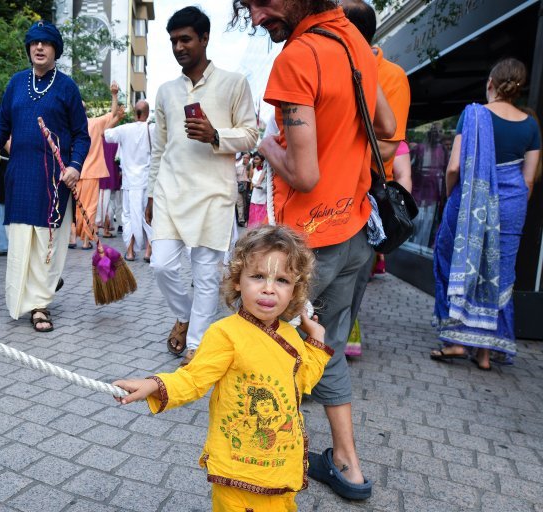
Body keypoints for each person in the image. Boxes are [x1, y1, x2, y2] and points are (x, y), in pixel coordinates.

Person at [234, 0, 398, 500]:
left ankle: (261, 461)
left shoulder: (297, 57)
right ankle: (348, 466)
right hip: (353, 236)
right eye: (248, 8)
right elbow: (387, 129)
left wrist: (266, 146)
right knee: (324, 349)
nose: (258, 16)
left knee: (262, 351)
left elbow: (304, 175)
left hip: (307, 247)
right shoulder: (355, 42)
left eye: (261, 1)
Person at [113, 225, 332, 511]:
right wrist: (154, 385)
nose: (268, 288)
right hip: (237, 471)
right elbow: (193, 379)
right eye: (257, 277)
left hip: (281, 465)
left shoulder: (291, 336)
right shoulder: (225, 334)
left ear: (295, 289)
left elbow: (302, 381)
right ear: (238, 280)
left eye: (281, 280)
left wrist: (316, 339)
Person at [147, 6, 258, 365]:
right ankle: (185, 314)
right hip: (170, 191)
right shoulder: (166, 91)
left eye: (185, 39)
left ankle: (196, 341)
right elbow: (159, 148)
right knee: (161, 265)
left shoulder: (234, 83)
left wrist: (215, 135)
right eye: (173, 41)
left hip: (214, 194)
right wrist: (151, 192)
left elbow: (250, 134)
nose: (178, 47)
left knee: (206, 273)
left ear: (204, 39)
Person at [430, 58, 540, 371]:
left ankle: (454, 342)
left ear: (491, 83)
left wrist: (453, 198)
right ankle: (485, 354)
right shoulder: (531, 125)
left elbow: (454, 166)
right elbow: (528, 179)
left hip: (470, 202)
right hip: (512, 205)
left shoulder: (474, 114)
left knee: (455, 262)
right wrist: (509, 206)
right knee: (498, 275)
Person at [0, 20, 90, 332]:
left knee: (46, 243)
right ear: (29, 49)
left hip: (55, 180)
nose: (39, 47)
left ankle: (40, 305)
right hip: (20, 174)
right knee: (20, 241)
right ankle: (24, 296)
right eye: (34, 43)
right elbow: (1, 124)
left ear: (55, 50)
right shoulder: (16, 83)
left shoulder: (67, 87)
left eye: (46, 43)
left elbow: (82, 135)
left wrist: (76, 165)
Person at [342, 0, 412, 356]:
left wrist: (335, 155)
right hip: (324, 193)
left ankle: (327, 361)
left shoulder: (391, 76)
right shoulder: (330, 65)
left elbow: (388, 147)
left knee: (351, 283)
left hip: (364, 198)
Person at [104, 100, 155, 262]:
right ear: (147, 114)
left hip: (129, 183)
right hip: (147, 181)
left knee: (128, 216)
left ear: (134, 113)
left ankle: (130, 251)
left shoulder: (124, 129)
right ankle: (148, 251)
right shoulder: (152, 129)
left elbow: (105, 133)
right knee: (148, 216)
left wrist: (117, 118)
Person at [71, 82, 120, 250]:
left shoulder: (71, 127)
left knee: (77, 206)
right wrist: (114, 94)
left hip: (75, 172)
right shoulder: (94, 123)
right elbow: (112, 113)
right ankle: (85, 241)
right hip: (91, 173)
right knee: (90, 207)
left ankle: (74, 238)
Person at [247, 153, 267, 227]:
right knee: (253, 221)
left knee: (260, 221)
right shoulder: (254, 170)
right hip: (254, 198)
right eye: (254, 159)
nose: (255, 161)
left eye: (257, 159)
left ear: (262, 161)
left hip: (263, 198)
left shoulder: (266, 171)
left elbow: (267, 185)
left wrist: (261, 186)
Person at [235, 152, 251, 226]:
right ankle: (241, 220)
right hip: (239, 187)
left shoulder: (251, 166)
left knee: (246, 204)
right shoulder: (238, 167)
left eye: (246, 158)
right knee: (239, 203)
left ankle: (247, 220)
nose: (245, 159)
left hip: (247, 187)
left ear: (249, 159)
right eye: (244, 157)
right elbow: (235, 176)